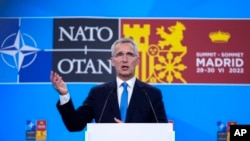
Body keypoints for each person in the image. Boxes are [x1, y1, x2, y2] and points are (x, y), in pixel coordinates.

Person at [50, 37, 168, 132]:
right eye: (119, 54)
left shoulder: (151, 94)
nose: (125, 59)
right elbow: (75, 125)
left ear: (137, 61)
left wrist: (132, 131)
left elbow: (163, 132)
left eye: (130, 54)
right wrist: (64, 95)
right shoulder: (98, 93)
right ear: (112, 61)